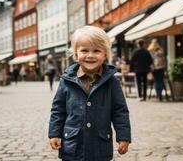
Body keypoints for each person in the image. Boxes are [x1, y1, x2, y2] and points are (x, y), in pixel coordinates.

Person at [48, 26, 131, 161]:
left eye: (97, 50)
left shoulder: (112, 82)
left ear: (105, 54)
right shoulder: (66, 81)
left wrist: (123, 136)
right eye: (84, 50)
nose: (90, 55)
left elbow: (120, 111)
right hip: (72, 145)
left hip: (100, 145)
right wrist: (54, 133)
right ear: (76, 54)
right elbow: (58, 110)